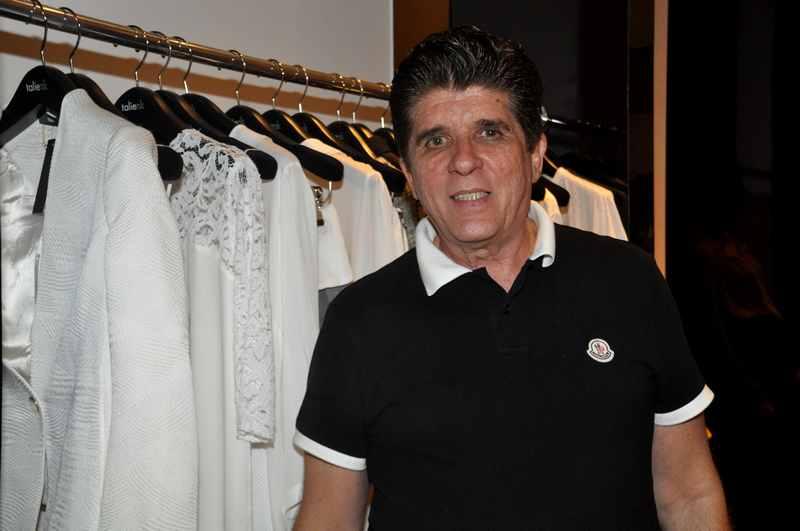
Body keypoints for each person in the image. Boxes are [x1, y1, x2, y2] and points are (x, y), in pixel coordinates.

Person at [293, 26, 730, 530]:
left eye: (490, 132)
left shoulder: (629, 281)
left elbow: (689, 495)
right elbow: (328, 520)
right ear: (408, 173)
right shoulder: (359, 321)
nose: (463, 161)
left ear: (535, 154)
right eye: (436, 140)